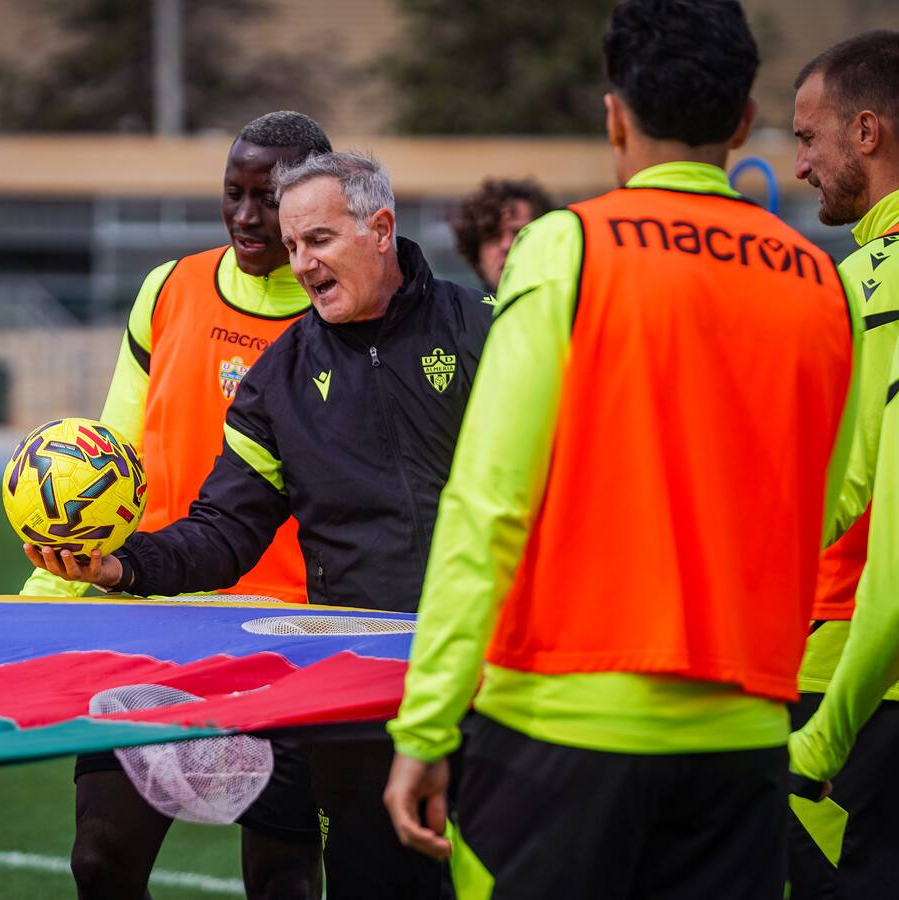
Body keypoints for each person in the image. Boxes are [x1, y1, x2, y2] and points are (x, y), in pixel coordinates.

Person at [383, 2, 862, 898]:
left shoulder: (566, 246)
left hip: (563, 729)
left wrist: (426, 723)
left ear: (614, 116)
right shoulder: (821, 282)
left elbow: (487, 501)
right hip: (742, 736)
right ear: (742, 121)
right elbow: (824, 507)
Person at [29, 150, 495, 900]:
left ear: (380, 229)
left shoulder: (484, 329)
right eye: (293, 245)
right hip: (362, 695)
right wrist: (121, 564)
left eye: (320, 240)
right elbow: (224, 532)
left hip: (496, 674)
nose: (302, 264)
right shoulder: (278, 380)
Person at [23, 112, 330, 900]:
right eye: (234, 193)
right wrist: (40, 605)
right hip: (154, 624)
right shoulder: (168, 290)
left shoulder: (339, 311)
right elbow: (108, 466)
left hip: (293, 639)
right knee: (100, 860)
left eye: (269, 198)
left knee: (285, 881)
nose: (246, 216)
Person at [787, 30, 899, 898]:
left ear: (867, 131)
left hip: (858, 687)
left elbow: (834, 499)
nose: (800, 166)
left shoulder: (866, 290)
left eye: (808, 138)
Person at [451, 178, 552, 291]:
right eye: (493, 237)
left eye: (520, 233)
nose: (506, 245)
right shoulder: (455, 301)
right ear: (477, 258)